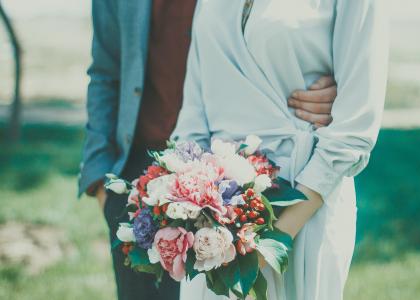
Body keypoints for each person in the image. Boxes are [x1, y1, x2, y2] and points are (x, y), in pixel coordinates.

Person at [78, 1, 339, 300]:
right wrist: (100, 183)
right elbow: (104, 71)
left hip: (226, 183)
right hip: (141, 178)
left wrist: (337, 92)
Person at [171, 0, 389, 300]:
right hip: (210, 223)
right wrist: (186, 207)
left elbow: (354, 127)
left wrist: (272, 241)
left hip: (306, 200)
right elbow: (193, 116)